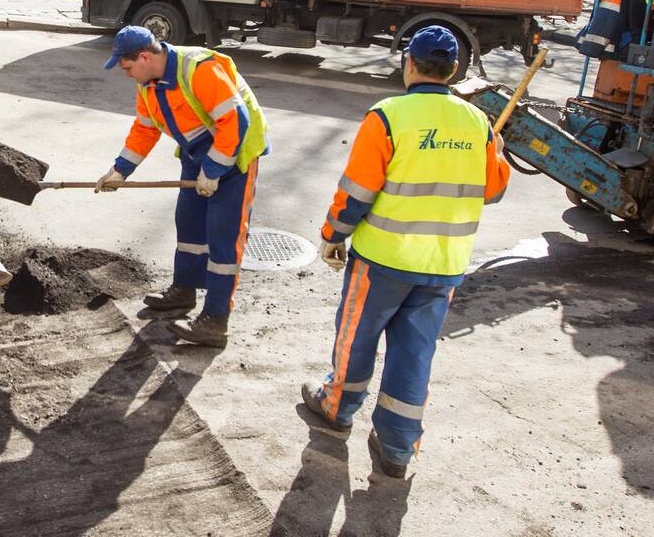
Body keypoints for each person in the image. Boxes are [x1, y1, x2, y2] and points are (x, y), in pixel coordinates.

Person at [300, 26, 511, 478]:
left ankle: (336, 408)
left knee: (357, 338)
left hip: (384, 259)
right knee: (414, 354)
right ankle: (397, 449)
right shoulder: (478, 123)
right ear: (455, 70)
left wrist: (333, 235)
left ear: (408, 65)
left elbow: (357, 191)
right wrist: (496, 149)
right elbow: (493, 190)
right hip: (444, 265)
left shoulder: (389, 116)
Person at [96, 26, 268, 347]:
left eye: (128, 66)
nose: (126, 73)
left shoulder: (200, 70)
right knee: (188, 222)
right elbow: (145, 129)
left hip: (236, 153)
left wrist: (215, 169)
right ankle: (184, 291)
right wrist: (120, 171)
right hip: (196, 152)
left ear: (145, 56)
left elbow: (237, 121)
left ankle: (215, 322)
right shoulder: (147, 83)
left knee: (223, 237)